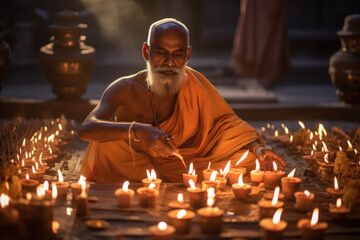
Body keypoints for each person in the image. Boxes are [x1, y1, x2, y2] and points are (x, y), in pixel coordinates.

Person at [79, 18, 285, 183]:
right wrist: (138, 131)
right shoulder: (124, 88)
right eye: (161, 52)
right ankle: (164, 177)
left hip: (188, 161)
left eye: (177, 54)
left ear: (187, 56)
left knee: (250, 160)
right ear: (146, 52)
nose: (169, 63)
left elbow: (226, 125)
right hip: (138, 161)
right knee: (104, 146)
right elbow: (87, 128)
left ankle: (170, 177)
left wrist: (257, 148)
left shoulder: (194, 83)